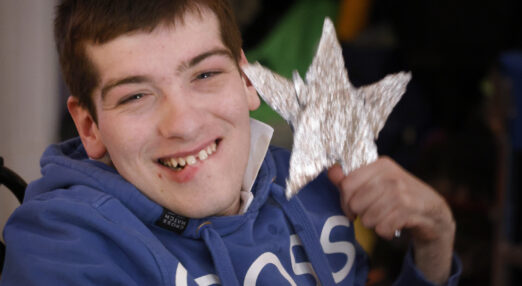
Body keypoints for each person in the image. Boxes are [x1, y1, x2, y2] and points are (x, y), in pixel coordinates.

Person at [0, 0, 461, 285]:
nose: (182, 124)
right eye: (136, 95)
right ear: (89, 127)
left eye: (205, 74)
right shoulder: (62, 247)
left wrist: (434, 246)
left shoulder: (319, 188)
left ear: (246, 78)